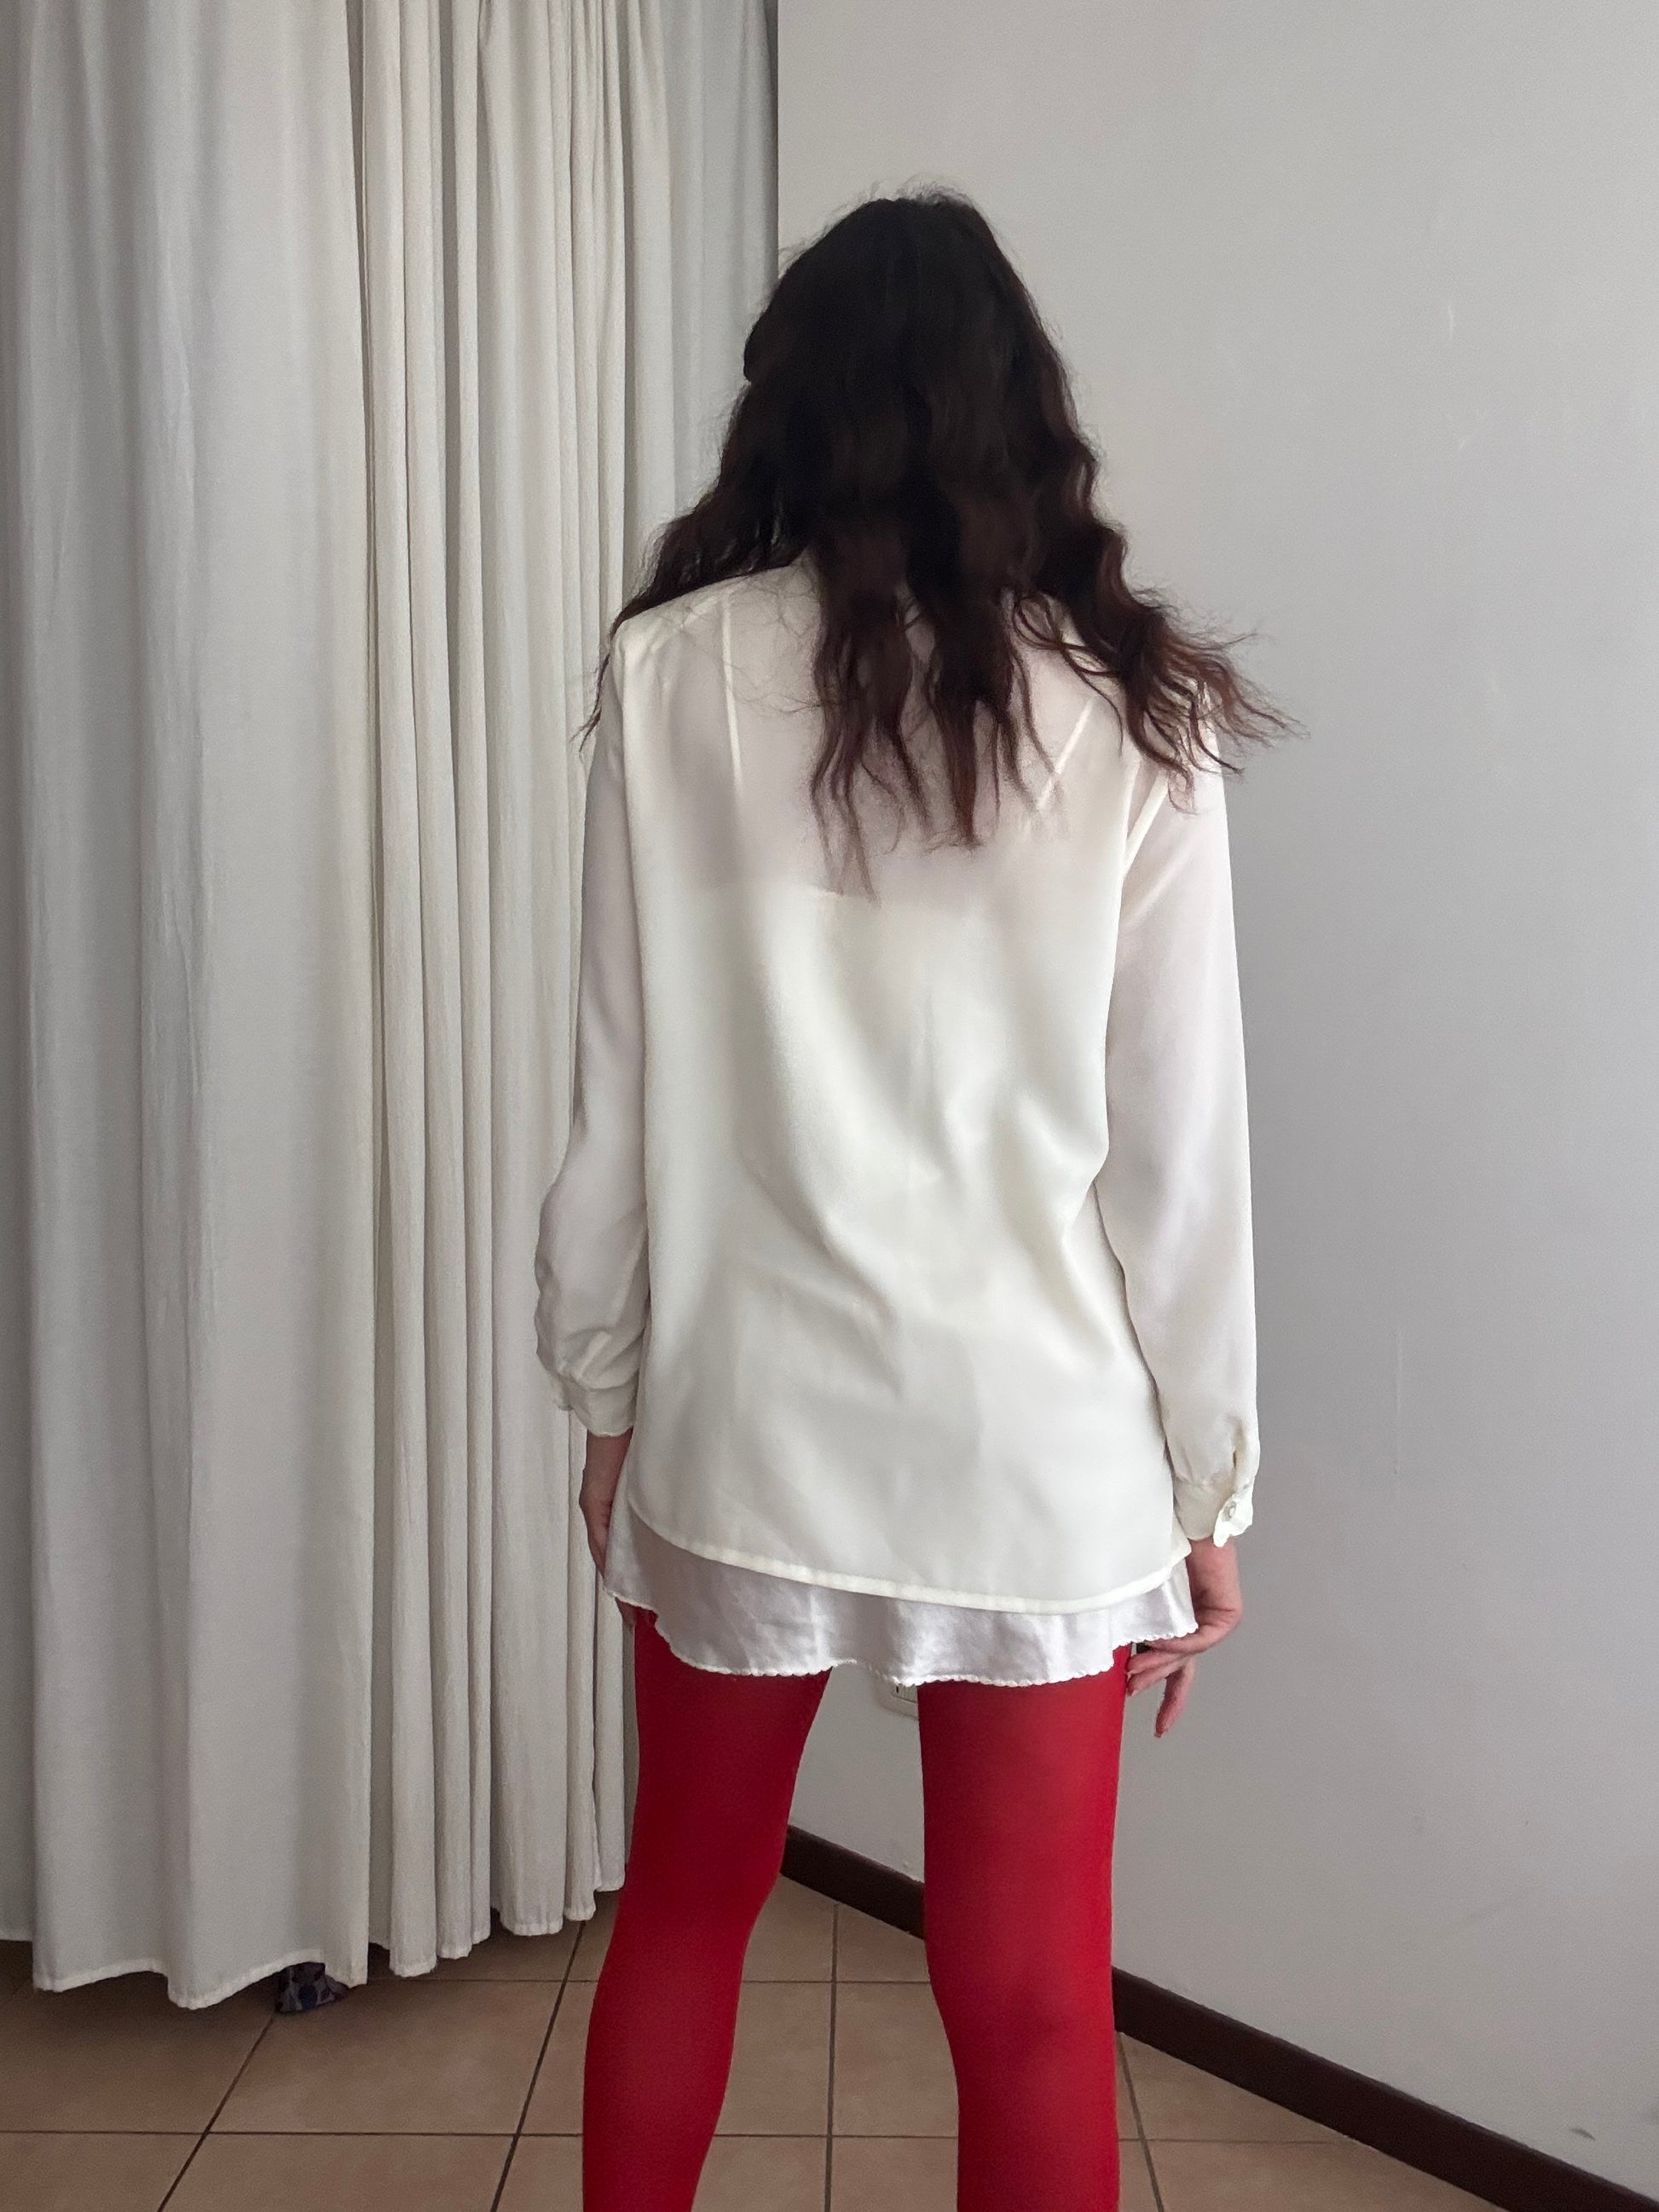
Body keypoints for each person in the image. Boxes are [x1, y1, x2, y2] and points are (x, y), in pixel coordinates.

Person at [535, 187, 1288, 2212]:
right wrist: (1207, 1487)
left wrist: (603, 1390)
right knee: (1031, 1994)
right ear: (1020, 414)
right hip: (1032, 1443)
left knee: (684, 1910)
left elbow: (616, 1096)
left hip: (743, 1409)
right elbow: (1179, 1154)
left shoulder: (669, 675)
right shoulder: (1136, 714)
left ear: (784, 407)